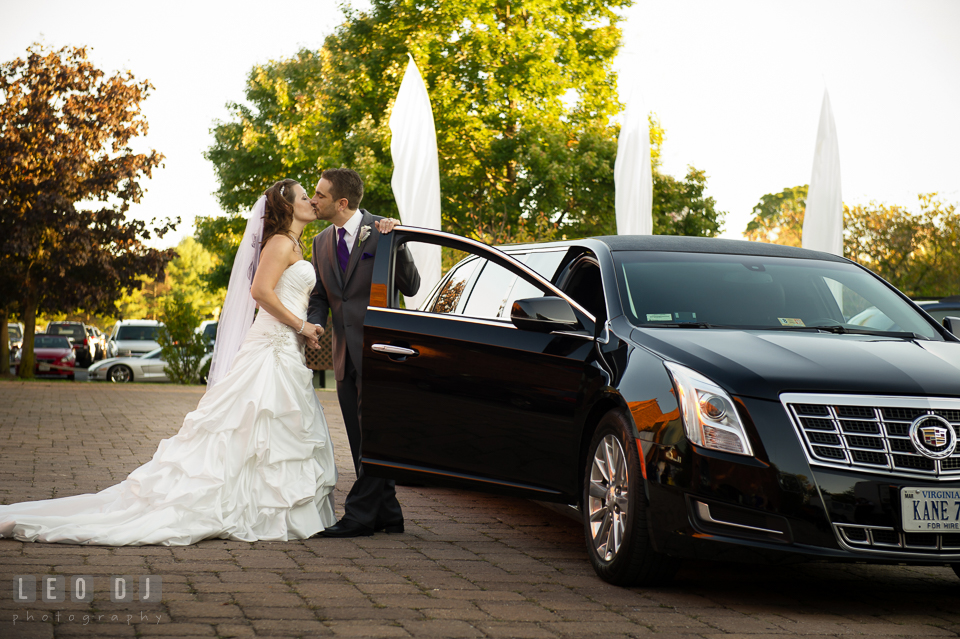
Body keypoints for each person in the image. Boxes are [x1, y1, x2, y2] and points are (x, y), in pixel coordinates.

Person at [0, 180, 338, 545]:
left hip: (285, 346)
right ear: (287, 208)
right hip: (270, 348)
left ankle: (267, 502)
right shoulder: (281, 242)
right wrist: (301, 324)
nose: (311, 200)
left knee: (269, 427)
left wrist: (302, 329)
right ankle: (245, 503)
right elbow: (260, 292)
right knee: (251, 423)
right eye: (304, 196)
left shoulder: (297, 244)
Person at [307, 168, 420, 538]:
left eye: (320, 195)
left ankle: (358, 517)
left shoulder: (384, 231)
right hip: (344, 355)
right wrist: (314, 326)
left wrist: (398, 242)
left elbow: (412, 286)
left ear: (342, 202)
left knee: (373, 435)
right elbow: (322, 295)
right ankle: (388, 512)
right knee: (359, 437)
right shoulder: (320, 242)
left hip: (380, 352)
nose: (313, 200)